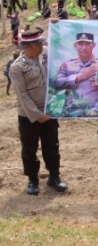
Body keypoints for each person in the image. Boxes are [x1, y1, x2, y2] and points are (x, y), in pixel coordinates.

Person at [10, 27, 68, 195]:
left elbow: (60, 45)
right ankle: (33, 179)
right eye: (39, 44)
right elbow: (22, 96)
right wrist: (37, 115)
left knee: (52, 146)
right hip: (29, 116)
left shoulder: (45, 57)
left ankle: (54, 176)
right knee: (29, 148)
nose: (42, 46)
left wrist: (58, 26)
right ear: (27, 46)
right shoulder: (17, 68)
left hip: (49, 112)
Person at [55, 32, 98, 120]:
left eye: (87, 44)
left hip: (93, 113)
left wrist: (97, 109)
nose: (84, 47)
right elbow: (58, 83)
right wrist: (78, 77)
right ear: (75, 45)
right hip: (71, 114)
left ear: (93, 45)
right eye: (80, 44)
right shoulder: (67, 65)